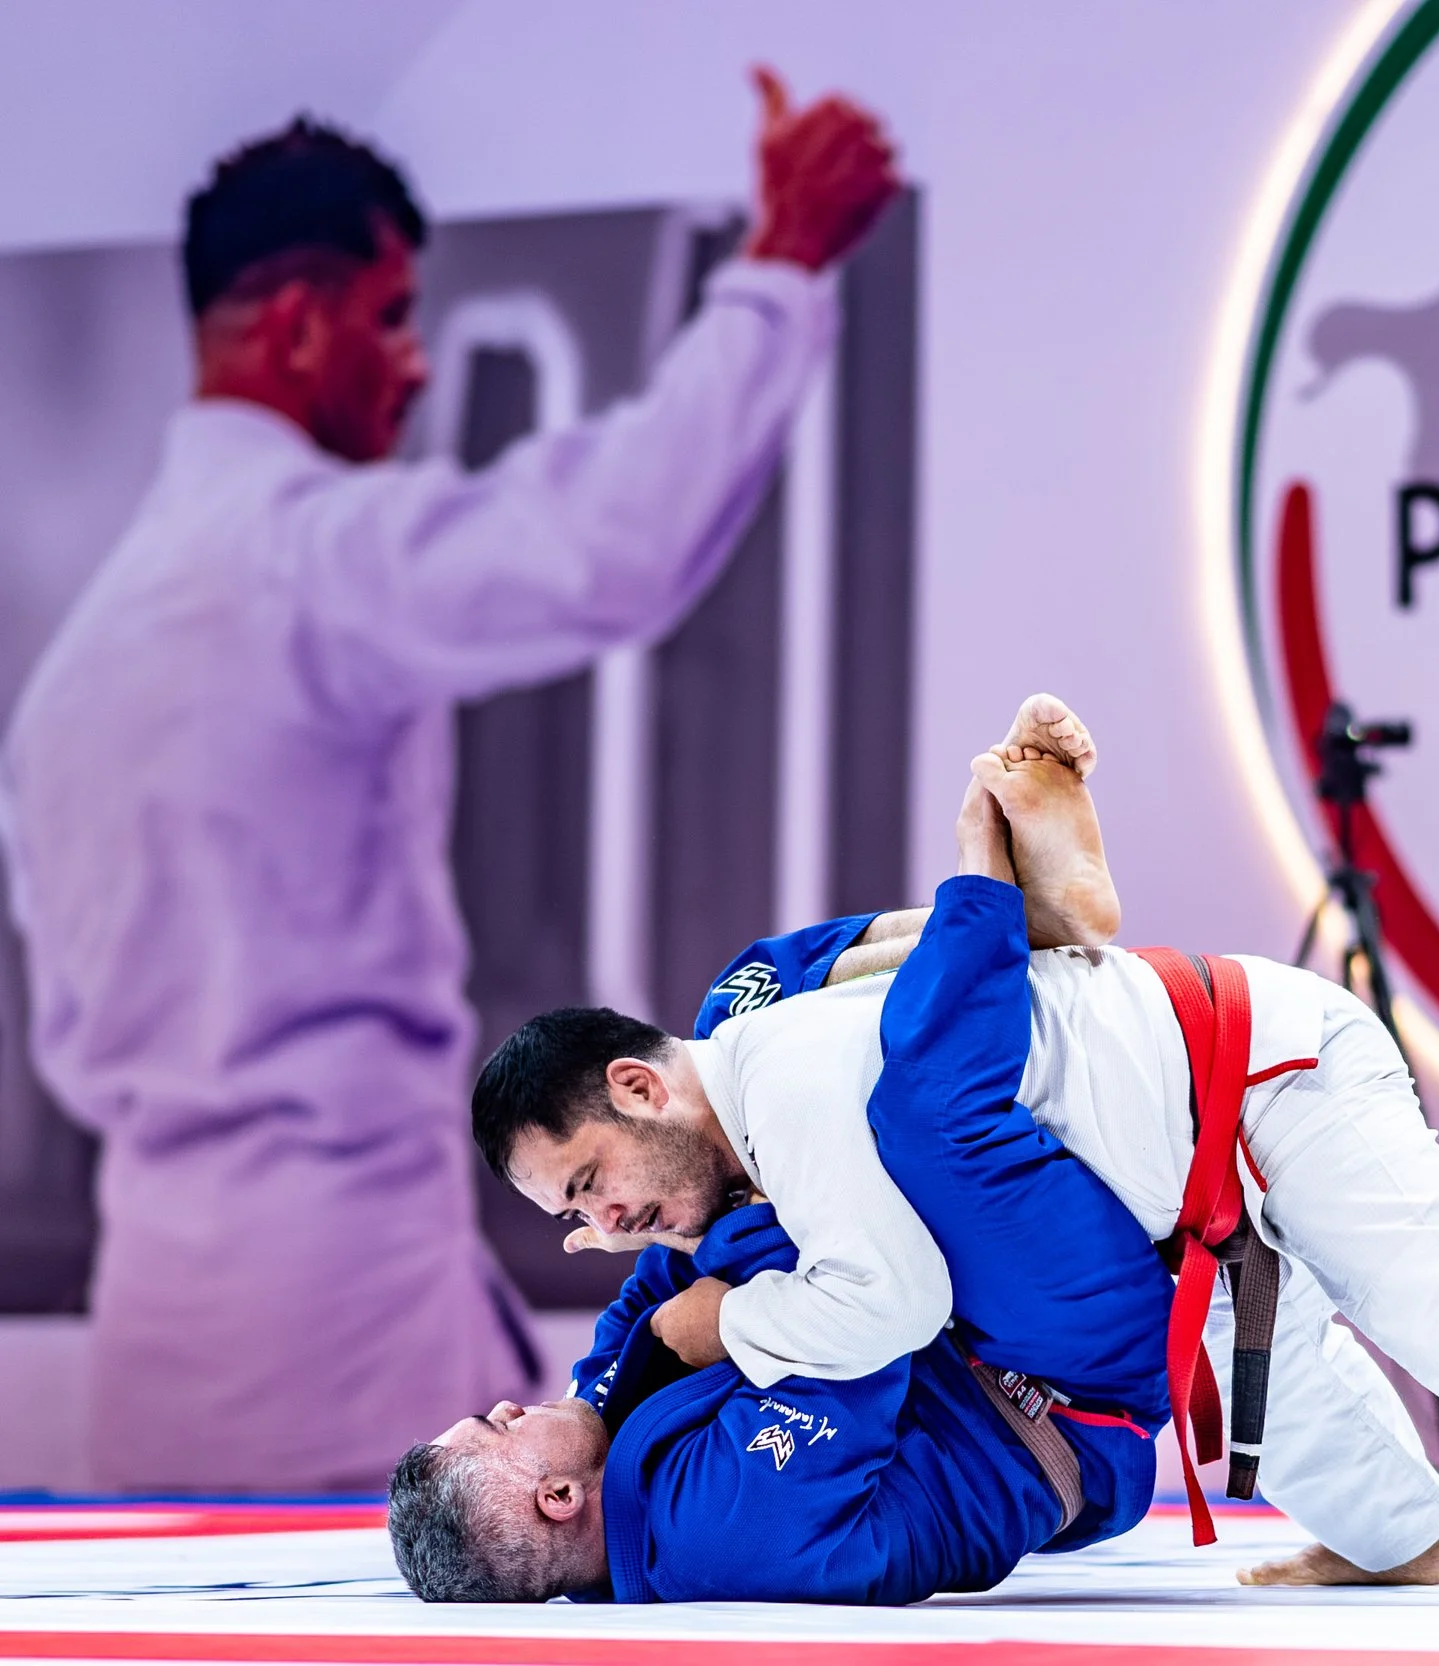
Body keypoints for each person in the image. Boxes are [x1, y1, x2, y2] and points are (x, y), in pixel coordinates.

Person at [0, 73, 899, 1490]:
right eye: (393, 318)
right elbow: (612, 539)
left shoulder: (69, 679)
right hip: (336, 1320)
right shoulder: (303, 558)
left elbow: (62, 1031)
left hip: (152, 1337)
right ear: (300, 326)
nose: (416, 367)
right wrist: (779, 267)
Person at [476, 709, 1439, 1607]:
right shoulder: (755, 1032)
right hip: (1167, 1171)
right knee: (1274, 1388)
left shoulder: (778, 1089)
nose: (599, 1225)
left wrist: (725, 1316)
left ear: (642, 1084)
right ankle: (1395, 1537)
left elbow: (885, 1309)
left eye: (588, 1183)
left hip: (1259, 1075)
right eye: (573, 1222)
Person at [394, 856, 1175, 1605]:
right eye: (492, 1433)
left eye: (589, 1190)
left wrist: (689, 1239)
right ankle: (989, 911)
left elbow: (652, 1302)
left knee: (736, 1013)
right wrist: (716, 1263)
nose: (503, 1408)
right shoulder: (722, 1531)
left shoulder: (603, 1445)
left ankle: (1024, 922)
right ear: (558, 1498)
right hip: (1067, 1379)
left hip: (975, 1331)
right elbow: (854, 1313)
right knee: (859, 1110)